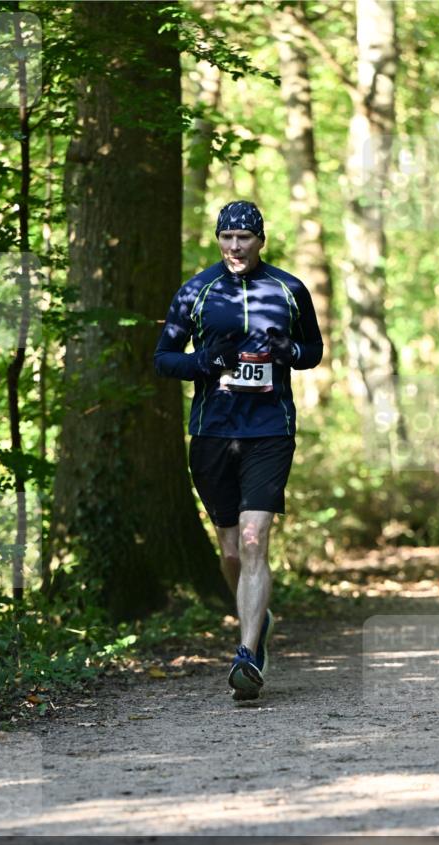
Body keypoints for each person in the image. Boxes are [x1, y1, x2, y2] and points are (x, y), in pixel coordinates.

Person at [154, 200, 323, 699]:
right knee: (230, 550)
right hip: (213, 431)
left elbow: (312, 350)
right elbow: (164, 360)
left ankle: (248, 654)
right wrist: (204, 361)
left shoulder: (289, 290)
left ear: (260, 241)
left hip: (270, 429)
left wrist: (287, 353)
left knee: (254, 541)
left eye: (244, 238)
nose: (234, 246)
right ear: (218, 240)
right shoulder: (196, 291)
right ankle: (258, 616)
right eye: (227, 237)